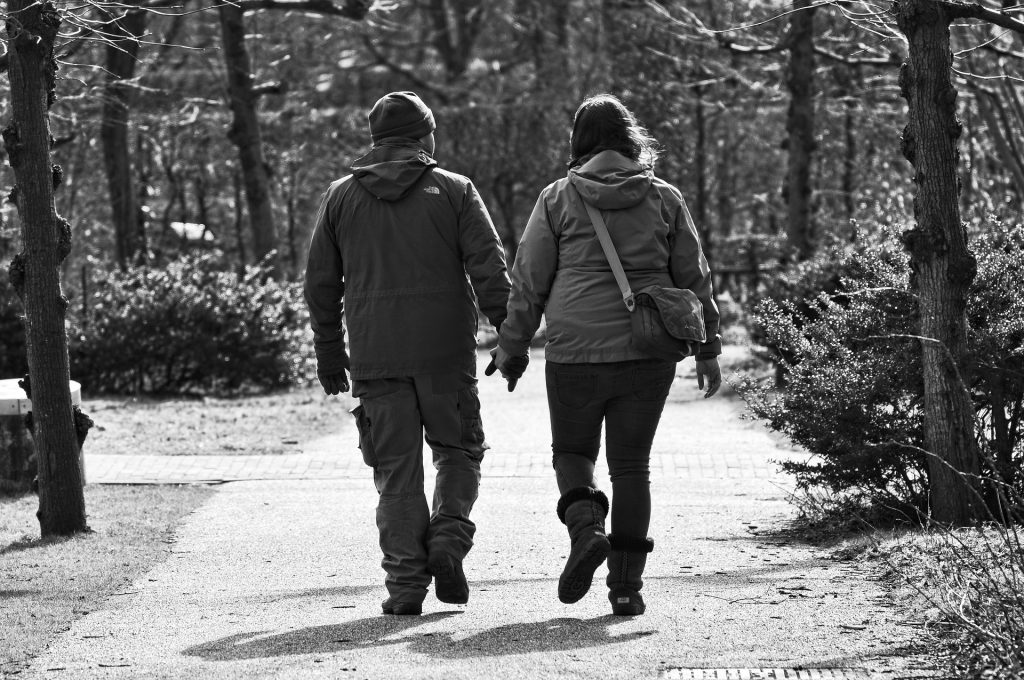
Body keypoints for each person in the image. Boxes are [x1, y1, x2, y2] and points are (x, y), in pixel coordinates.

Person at [492, 93, 722, 616]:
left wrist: (512, 348)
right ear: (630, 140)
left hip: (575, 352)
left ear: (580, 143)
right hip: (650, 350)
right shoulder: (663, 197)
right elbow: (694, 278)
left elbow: (529, 281)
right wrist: (707, 348)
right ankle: (626, 589)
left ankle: (586, 528)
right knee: (631, 467)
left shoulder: (557, 198)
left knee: (573, 455)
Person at [304, 91, 511, 616]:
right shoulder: (455, 191)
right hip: (446, 356)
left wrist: (331, 352)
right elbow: (489, 266)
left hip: (377, 358)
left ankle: (405, 589)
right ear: (426, 138)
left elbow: (321, 284)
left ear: (376, 142)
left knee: (395, 475)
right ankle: (448, 535)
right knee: (459, 453)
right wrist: (509, 335)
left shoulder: (340, 197)